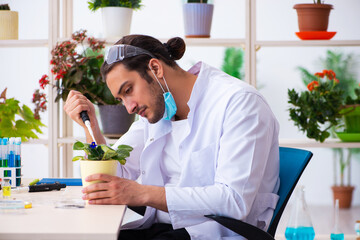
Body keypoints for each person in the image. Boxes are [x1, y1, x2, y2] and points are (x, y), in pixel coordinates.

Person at [64, 35, 280, 240]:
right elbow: (110, 175)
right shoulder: (158, 113)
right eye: (121, 99)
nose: (129, 107)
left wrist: (142, 193)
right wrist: (90, 126)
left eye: (128, 90)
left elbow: (234, 200)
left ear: (155, 68)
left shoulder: (239, 103)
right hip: (162, 229)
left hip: (213, 232)